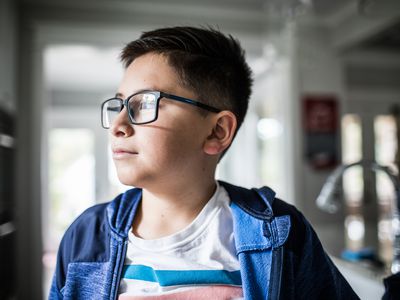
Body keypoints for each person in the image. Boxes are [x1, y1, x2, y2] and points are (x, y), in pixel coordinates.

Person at [49, 26, 359, 300]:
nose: (118, 124)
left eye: (144, 103)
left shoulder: (280, 232)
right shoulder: (86, 235)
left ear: (217, 131)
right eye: (120, 104)